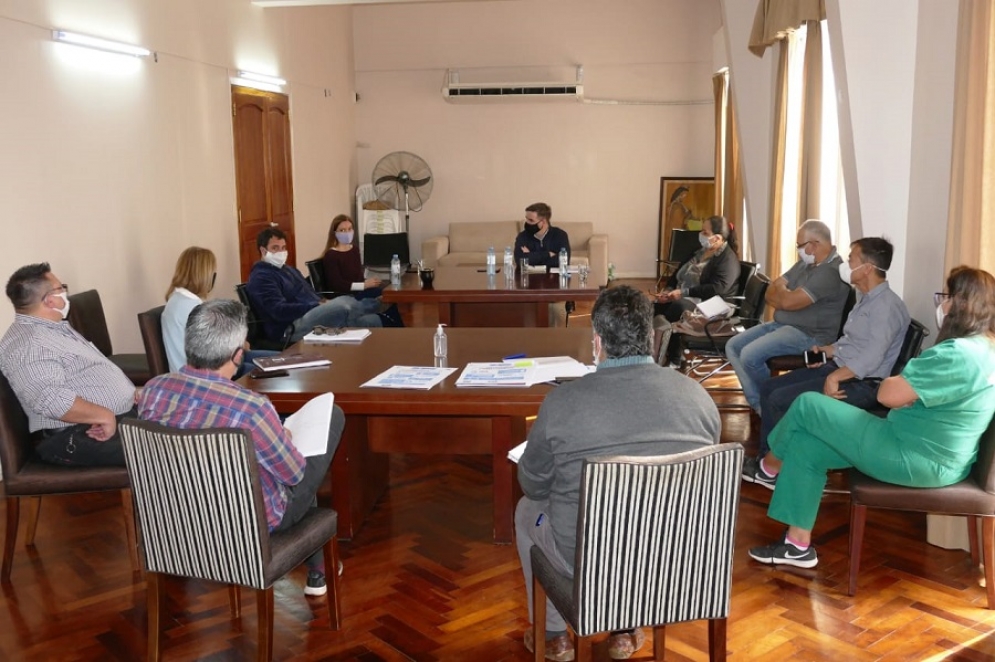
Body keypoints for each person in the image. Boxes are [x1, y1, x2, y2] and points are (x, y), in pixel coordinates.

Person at [515, 285, 721, 661]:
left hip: (589, 559)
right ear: (651, 336)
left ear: (597, 341)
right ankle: (626, 629)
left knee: (528, 510)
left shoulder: (562, 402)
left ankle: (554, 635)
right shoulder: (699, 398)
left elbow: (532, 483)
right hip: (678, 559)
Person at [748, 266, 995, 569]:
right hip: (935, 455)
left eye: (947, 296)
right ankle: (797, 546)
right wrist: (907, 390)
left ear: (963, 304)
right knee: (805, 443)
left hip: (912, 455)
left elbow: (886, 395)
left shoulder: (956, 354)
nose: (942, 303)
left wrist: (902, 387)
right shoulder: (985, 348)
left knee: (809, 404)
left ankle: (768, 466)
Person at [137, 299, 344, 596]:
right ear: (237, 355)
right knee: (329, 420)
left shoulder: (154, 391)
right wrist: (284, 439)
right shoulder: (252, 408)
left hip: (180, 518)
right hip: (248, 522)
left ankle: (319, 564)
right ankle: (319, 564)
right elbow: (294, 474)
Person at [743, 237, 910, 485]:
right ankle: (770, 460)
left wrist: (834, 377)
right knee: (769, 388)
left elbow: (871, 358)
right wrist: (825, 351)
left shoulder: (887, 307)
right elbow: (851, 343)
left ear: (867, 268)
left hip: (863, 383)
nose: (846, 263)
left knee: (780, 400)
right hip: (842, 369)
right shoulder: (866, 297)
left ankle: (773, 468)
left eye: (852, 258)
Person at [0, 263, 136, 467]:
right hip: (78, 435)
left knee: (187, 429)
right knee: (172, 453)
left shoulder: (52, 328)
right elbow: (50, 398)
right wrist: (104, 415)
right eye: (61, 288)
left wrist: (127, 393)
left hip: (104, 422)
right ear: (49, 300)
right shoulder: (29, 343)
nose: (65, 293)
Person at [725, 219, 851, 413]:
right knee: (733, 346)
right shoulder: (805, 264)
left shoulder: (830, 272)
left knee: (750, 355)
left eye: (800, 246)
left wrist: (784, 296)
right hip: (782, 325)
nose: (798, 250)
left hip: (809, 335)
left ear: (814, 245)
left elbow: (787, 301)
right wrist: (785, 295)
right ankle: (759, 403)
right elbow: (770, 291)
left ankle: (768, 404)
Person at [246, 227, 389, 345]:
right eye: (275, 248)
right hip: (292, 326)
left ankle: (380, 311)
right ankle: (376, 304)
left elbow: (309, 292)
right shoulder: (261, 277)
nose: (281, 252)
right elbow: (278, 311)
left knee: (369, 320)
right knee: (343, 306)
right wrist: (316, 305)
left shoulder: (289, 269)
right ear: (263, 251)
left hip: (311, 313)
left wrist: (321, 302)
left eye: (283, 248)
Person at [162, 246, 277, 376]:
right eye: (212, 273)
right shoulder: (191, 307)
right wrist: (239, 345)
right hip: (204, 374)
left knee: (278, 359)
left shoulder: (179, 300)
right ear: (204, 275)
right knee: (275, 367)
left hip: (203, 366)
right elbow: (214, 352)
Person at [652, 215, 741, 365]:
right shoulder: (698, 252)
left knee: (677, 308)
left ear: (717, 238)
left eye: (705, 233)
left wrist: (683, 293)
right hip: (686, 296)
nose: (701, 235)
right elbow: (677, 274)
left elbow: (717, 288)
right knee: (654, 306)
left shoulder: (728, 260)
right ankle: (656, 352)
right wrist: (668, 290)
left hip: (714, 303)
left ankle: (674, 358)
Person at [321, 214, 383, 299]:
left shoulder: (354, 250)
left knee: (388, 294)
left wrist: (370, 282)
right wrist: (363, 285)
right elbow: (337, 284)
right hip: (345, 296)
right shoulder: (331, 255)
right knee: (385, 296)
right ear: (335, 233)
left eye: (349, 229)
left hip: (359, 291)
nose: (347, 233)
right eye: (342, 230)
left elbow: (358, 277)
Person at [514, 202, 571, 269]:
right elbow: (519, 260)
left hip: (554, 278)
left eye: (531, 220)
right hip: (530, 278)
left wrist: (531, 256)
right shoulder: (522, 236)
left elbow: (562, 261)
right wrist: (548, 254)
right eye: (526, 219)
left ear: (543, 222)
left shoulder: (560, 235)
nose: (527, 223)